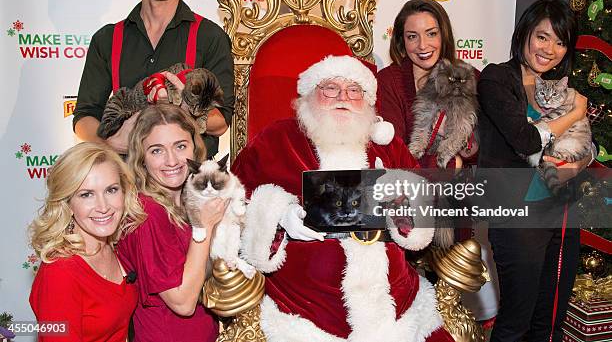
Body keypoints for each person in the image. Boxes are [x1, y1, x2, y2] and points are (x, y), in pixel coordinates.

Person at [232, 55, 454, 342]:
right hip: (305, 308)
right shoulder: (276, 140)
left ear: (367, 101)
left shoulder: (387, 145)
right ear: (310, 95)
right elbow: (235, 200)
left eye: (354, 91)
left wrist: (401, 202)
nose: (343, 98)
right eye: (330, 89)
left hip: (396, 302)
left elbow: (423, 205)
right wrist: (278, 215)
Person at [478, 0, 592, 342]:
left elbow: (589, 144)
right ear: (525, 32)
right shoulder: (496, 78)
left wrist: (577, 163)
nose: (550, 49)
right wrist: (575, 112)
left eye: (560, 42)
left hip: (560, 213)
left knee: (551, 321)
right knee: (517, 321)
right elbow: (526, 140)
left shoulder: (559, 87)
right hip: (517, 215)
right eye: (543, 37)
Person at [73, 0, 234, 157]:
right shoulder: (107, 39)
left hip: (189, 181)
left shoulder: (210, 37)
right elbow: (84, 118)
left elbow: (221, 122)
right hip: (127, 179)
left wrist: (183, 106)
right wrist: (113, 142)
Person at [116, 103, 228, 342]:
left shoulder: (189, 201)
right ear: (141, 158)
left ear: (195, 148)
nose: (172, 160)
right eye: (156, 150)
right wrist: (205, 227)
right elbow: (182, 302)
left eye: (180, 146)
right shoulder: (148, 213)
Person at [29, 142, 146, 341]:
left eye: (111, 190)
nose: (103, 206)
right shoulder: (59, 272)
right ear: (67, 203)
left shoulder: (115, 246)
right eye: (86, 194)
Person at [377, 0, 478, 168]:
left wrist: (465, 147)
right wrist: (452, 163)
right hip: (409, 188)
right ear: (402, 41)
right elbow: (394, 154)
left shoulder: (468, 76)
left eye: (431, 33)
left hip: (461, 191)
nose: (422, 45)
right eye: (412, 37)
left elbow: (483, 149)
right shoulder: (388, 81)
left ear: (443, 35)